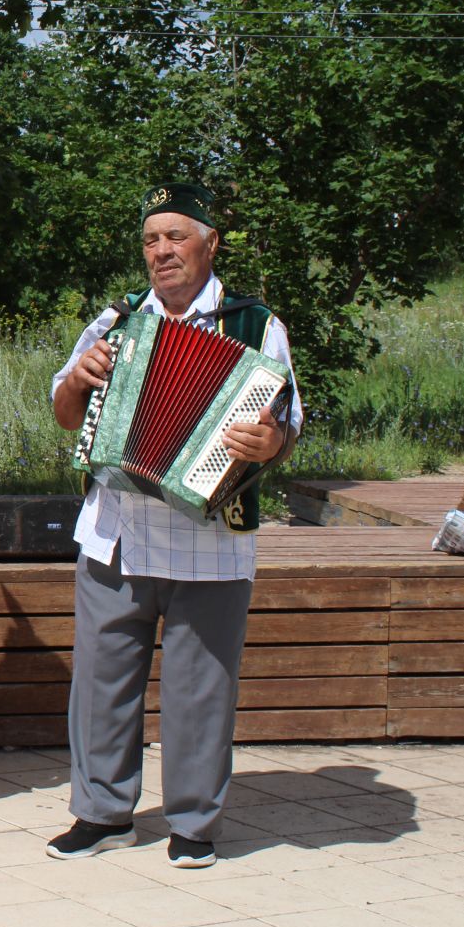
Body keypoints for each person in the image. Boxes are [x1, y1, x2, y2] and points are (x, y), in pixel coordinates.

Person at [47, 183, 300, 869]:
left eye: (175, 236)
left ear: (210, 243)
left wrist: (266, 443)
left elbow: (287, 422)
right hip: (118, 527)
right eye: (151, 239)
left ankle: (193, 823)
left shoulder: (255, 325)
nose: (162, 251)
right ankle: (101, 813)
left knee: (200, 687)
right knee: (102, 680)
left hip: (211, 537)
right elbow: (66, 411)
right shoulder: (116, 320)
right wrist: (78, 377)